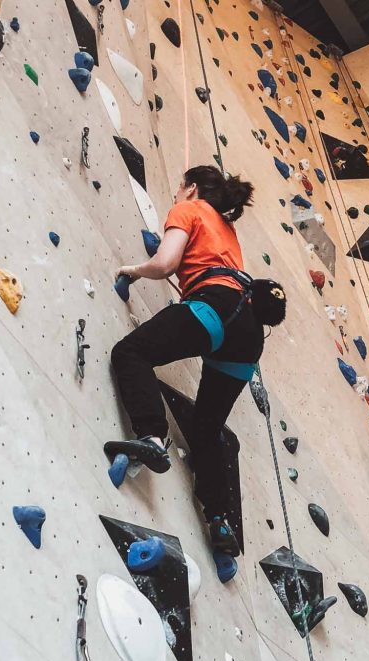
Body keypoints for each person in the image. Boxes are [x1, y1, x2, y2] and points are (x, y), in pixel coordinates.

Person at [107, 165, 286, 557]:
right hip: (249, 334)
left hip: (215, 309)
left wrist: (133, 271)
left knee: (131, 352)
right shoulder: (228, 229)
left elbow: (167, 263)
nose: (174, 196)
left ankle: (152, 436)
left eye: (177, 189)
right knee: (207, 430)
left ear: (190, 189)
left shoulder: (188, 211)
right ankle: (219, 522)